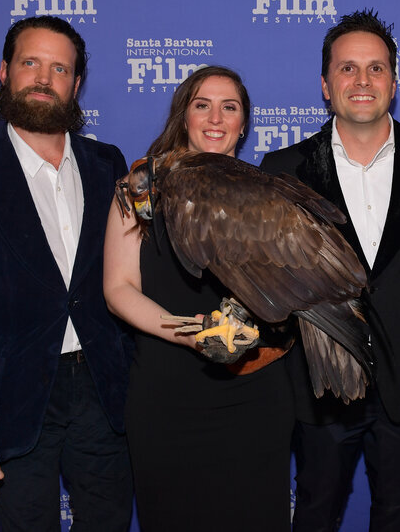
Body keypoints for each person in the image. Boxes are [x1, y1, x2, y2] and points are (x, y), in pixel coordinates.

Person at [0, 16, 133, 531]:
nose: (44, 77)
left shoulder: (110, 165)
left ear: (75, 84)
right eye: (30, 62)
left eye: (59, 68)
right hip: (11, 401)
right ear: (4, 71)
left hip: (106, 396)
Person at [260, 9, 400, 531]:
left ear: (395, 80)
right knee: (316, 514)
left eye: (376, 68)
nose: (362, 81)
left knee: (398, 516)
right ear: (325, 84)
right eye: (347, 69)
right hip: (319, 382)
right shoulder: (282, 171)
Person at [103, 65, 294, 531]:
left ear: (244, 123)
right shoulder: (142, 188)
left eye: (229, 107)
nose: (215, 117)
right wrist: (190, 333)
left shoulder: (266, 195)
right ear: (183, 115)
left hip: (256, 392)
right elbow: (118, 287)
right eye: (202, 104)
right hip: (168, 396)